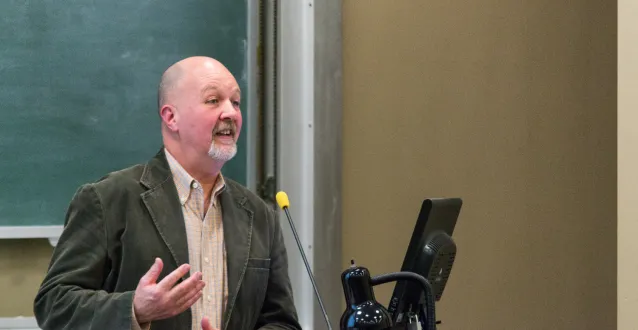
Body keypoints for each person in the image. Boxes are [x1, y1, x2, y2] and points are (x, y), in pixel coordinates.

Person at [33, 56, 301, 330]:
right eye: (213, 100)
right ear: (171, 117)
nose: (230, 113)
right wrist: (135, 309)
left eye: (235, 102)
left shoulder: (259, 215)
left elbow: (282, 323)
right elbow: (54, 305)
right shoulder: (108, 200)